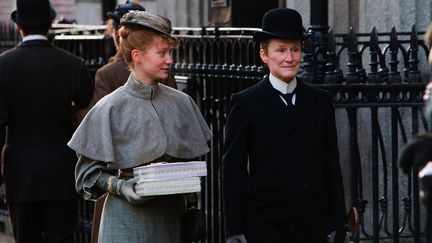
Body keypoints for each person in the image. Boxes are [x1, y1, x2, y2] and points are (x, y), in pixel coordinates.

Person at [67, 10, 212, 242]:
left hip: (172, 221)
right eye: (162, 53)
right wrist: (121, 186)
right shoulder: (110, 107)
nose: (170, 60)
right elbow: (87, 175)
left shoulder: (182, 103)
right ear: (138, 55)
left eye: (170, 53)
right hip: (125, 223)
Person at [222, 8, 346, 243]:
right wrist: (234, 228)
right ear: (264, 55)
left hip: (313, 223)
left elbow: (331, 162)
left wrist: (338, 222)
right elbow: (233, 170)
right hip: (264, 225)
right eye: (280, 50)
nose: (289, 58)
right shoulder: (245, 103)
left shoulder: (320, 101)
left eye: (295, 49)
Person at [0, 0, 94, 242]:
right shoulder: (72, 65)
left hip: (20, 170)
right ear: (51, 23)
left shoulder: (4, 66)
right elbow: (85, 99)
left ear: (18, 25)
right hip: (62, 168)